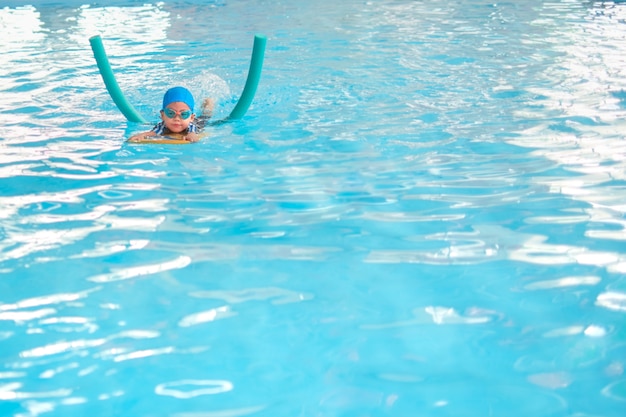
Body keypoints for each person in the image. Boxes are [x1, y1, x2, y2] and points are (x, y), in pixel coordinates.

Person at [128, 86, 214, 142]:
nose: (177, 118)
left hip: (197, 123)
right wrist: (141, 136)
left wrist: (192, 136)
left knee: (205, 116)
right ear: (162, 115)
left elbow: (192, 133)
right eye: (170, 113)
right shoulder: (162, 126)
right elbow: (153, 133)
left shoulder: (191, 125)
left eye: (183, 114)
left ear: (191, 117)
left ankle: (208, 105)